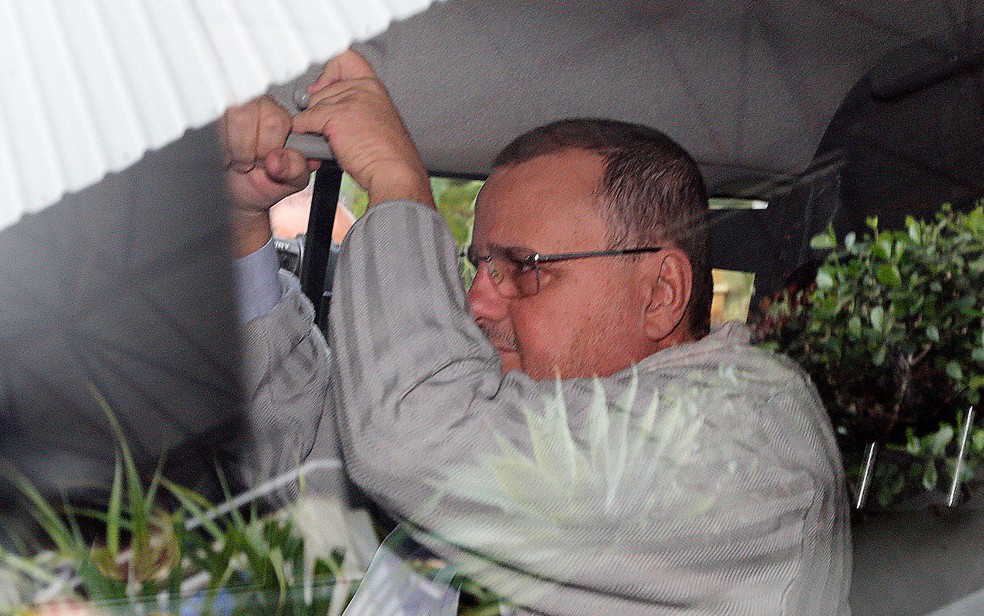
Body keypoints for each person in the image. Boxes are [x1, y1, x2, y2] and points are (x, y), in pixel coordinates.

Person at [224, 49, 851, 615]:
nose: (478, 300)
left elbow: (408, 437)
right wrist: (247, 231)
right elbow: (308, 472)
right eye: (480, 267)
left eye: (523, 269)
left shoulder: (747, 437)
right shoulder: (514, 437)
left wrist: (396, 181)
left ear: (661, 294)